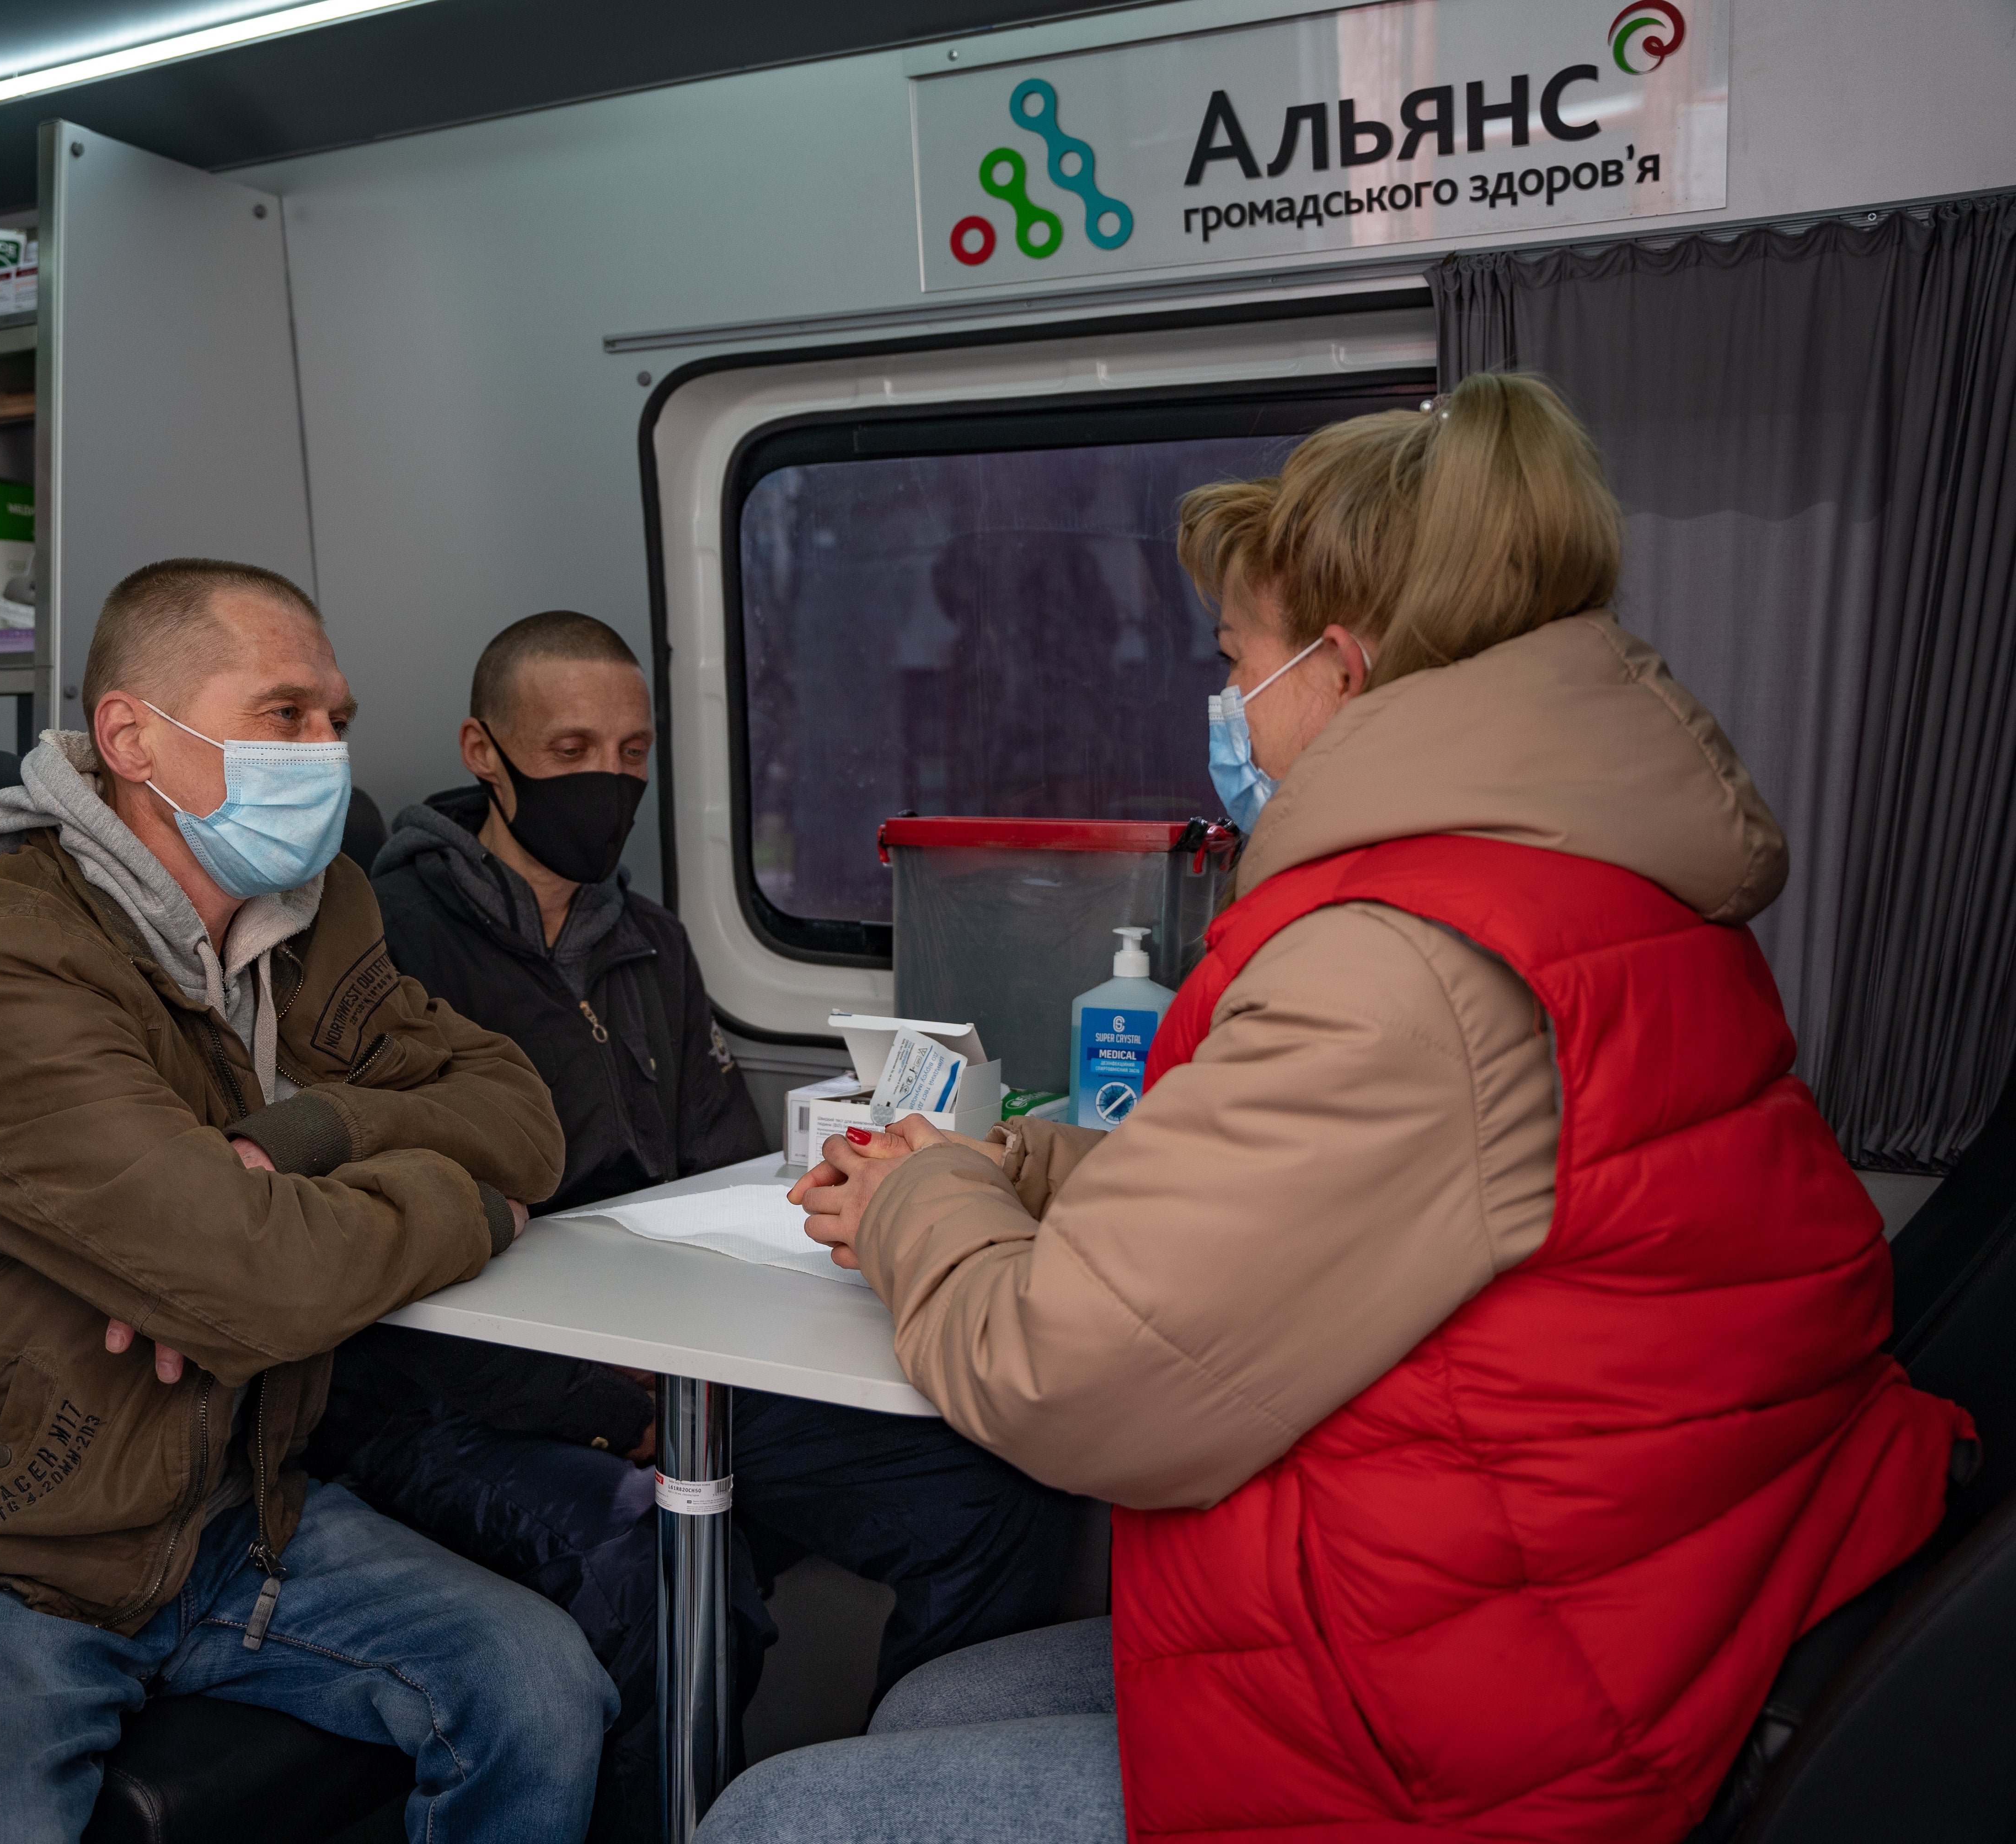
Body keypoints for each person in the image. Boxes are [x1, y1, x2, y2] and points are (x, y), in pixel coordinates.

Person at [706, 375, 1973, 1843]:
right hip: (1603, 1591)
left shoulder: (1394, 969)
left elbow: (1068, 1380)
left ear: (1343, 668)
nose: (1224, 700)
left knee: (775, 1816)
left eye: (1236, 657)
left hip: (1504, 1727)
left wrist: (923, 1204)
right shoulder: (1576, 885)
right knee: (935, 1705)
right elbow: (1337, 1206)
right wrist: (1027, 1163)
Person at [0, 559, 614, 1844]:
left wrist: (304, 1132)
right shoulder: (1, 961)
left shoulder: (313, 916)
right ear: (135, 737)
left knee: (542, 1691)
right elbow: (260, 1281)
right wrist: (472, 1212)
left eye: (337, 722)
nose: (327, 754)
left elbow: (522, 1117)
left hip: (244, 1520)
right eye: (285, 715)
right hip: (4, 1558)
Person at [315, 609, 1075, 1840]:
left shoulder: (649, 945)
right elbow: (391, 1249)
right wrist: (611, 1415)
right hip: (451, 1398)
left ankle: (907, 1811)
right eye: (571, 750)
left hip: (674, 1373)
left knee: (992, 1499)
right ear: (483, 751)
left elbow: (722, 1168)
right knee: (667, 1568)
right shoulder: (391, 951)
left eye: (632, 755)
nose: (607, 784)